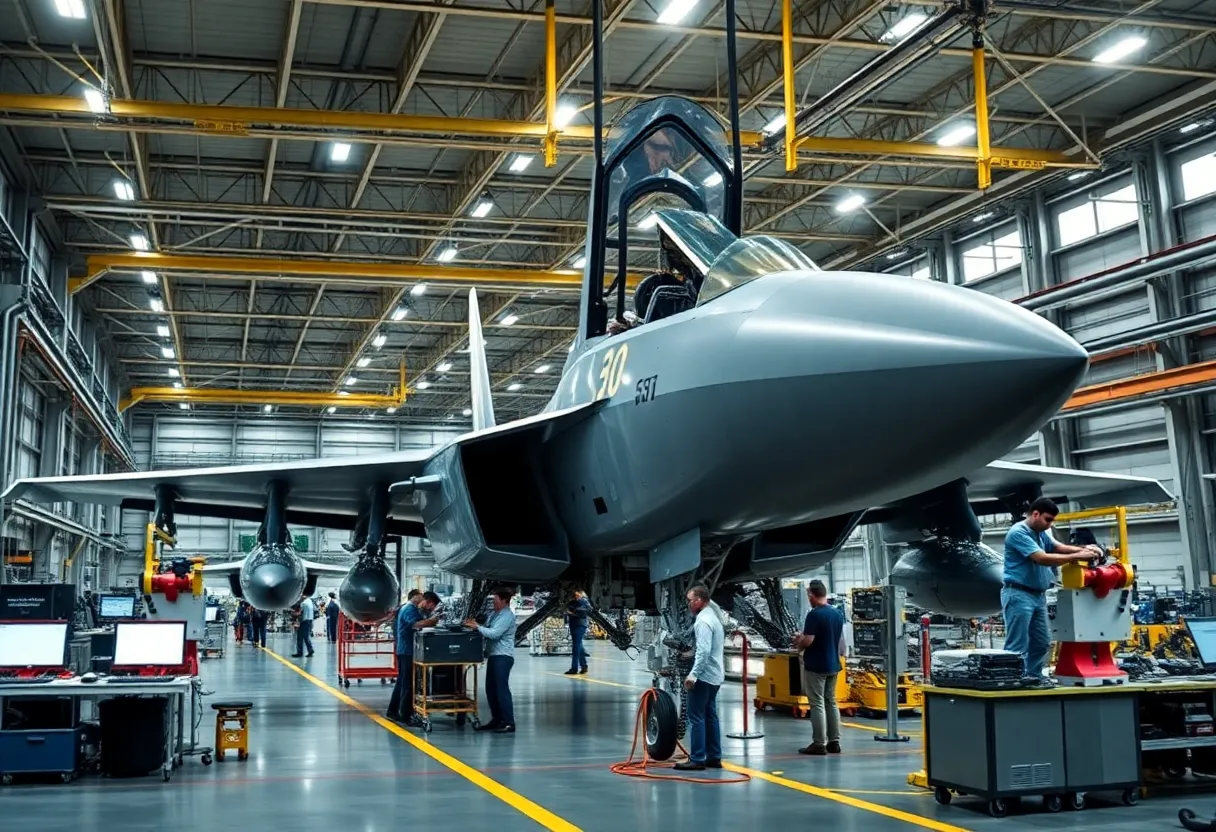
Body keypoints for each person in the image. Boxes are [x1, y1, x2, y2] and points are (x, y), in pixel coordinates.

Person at [1003, 497, 1104, 679]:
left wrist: (1085, 549)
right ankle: (1012, 680)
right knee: (1018, 644)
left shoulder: (1041, 532)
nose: (1049, 525)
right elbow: (1042, 558)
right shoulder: (1019, 532)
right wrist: (1078, 556)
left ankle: (1033, 678)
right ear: (1035, 514)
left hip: (1037, 596)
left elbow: (1058, 547)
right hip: (1018, 594)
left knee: (1042, 642)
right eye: (1047, 519)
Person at [791, 580, 847, 756]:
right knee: (831, 701)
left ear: (811, 595)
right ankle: (834, 742)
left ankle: (819, 743)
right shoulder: (837, 613)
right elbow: (838, 640)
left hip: (816, 664)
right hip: (833, 663)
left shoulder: (814, 615)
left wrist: (798, 644)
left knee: (817, 703)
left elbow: (809, 640)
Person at [674, 584, 724, 772]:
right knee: (710, 715)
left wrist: (693, 674)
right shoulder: (714, 617)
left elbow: (703, 652)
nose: (687, 604)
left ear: (699, 601)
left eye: (689, 600)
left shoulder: (702, 622)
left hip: (703, 676)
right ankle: (714, 756)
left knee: (696, 717)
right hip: (715, 676)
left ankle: (696, 758)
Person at [466, 587, 518, 734]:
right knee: (491, 690)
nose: (493, 604)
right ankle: (497, 719)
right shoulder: (496, 614)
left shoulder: (507, 616)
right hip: (494, 656)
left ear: (504, 601)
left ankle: (509, 722)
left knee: (501, 690)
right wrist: (478, 623)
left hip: (503, 656)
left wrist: (477, 627)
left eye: (495, 601)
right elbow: (487, 627)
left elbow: (494, 634)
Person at [387, 591, 440, 725]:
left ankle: (392, 711)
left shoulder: (410, 608)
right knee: (408, 683)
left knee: (402, 682)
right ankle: (406, 715)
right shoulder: (409, 609)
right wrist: (432, 621)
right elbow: (416, 624)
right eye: (431, 605)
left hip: (406, 650)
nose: (430, 608)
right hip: (407, 651)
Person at [564, 590, 591, 676]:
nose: (575, 596)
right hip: (574, 625)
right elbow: (566, 609)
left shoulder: (583, 601)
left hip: (579, 625)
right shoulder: (572, 602)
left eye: (577, 594)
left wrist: (573, 612)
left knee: (576, 647)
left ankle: (574, 668)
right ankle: (584, 666)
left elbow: (588, 609)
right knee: (579, 646)